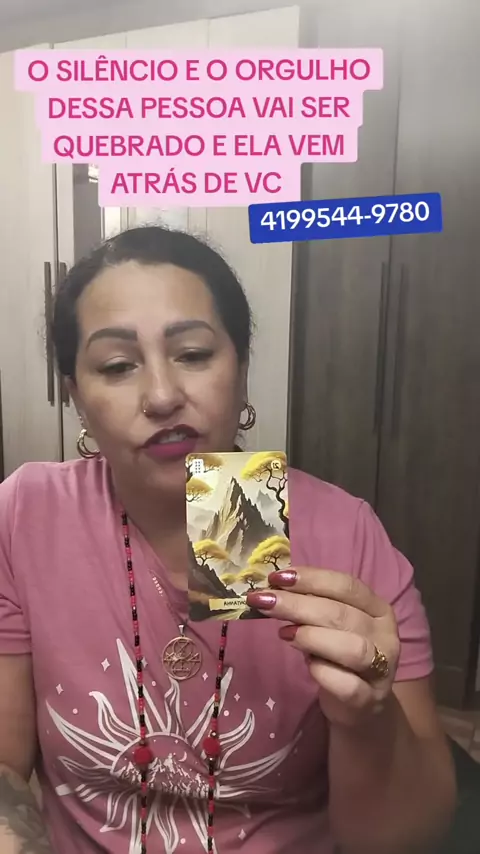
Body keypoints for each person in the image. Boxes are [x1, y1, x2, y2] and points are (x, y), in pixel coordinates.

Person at [0, 225, 455, 854]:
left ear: (241, 372)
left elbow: (408, 837)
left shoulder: (342, 533)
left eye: (193, 354)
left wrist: (369, 721)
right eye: (117, 366)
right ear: (77, 397)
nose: (162, 396)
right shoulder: (28, 514)